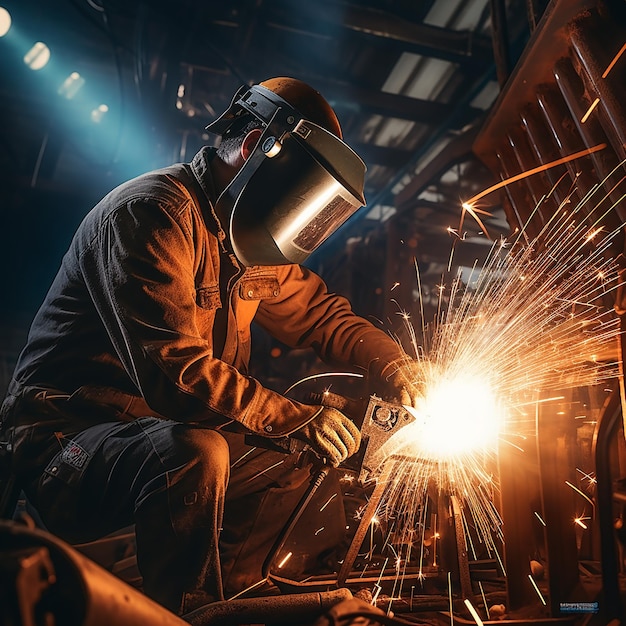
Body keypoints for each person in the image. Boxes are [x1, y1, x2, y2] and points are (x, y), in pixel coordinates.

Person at [0, 77, 422, 615]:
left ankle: (238, 601)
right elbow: (174, 374)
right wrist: (294, 417)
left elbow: (319, 316)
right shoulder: (151, 215)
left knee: (299, 457)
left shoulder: (243, 240)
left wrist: (394, 365)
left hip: (152, 437)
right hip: (67, 447)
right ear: (252, 150)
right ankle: (186, 612)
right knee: (197, 451)